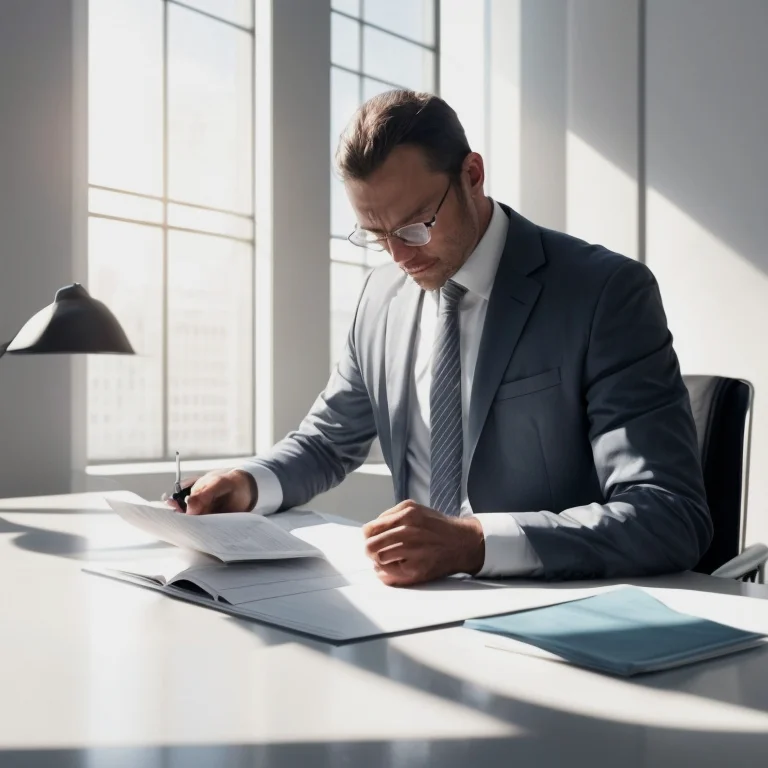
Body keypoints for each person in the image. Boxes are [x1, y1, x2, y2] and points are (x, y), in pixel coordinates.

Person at [169, 90, 712, 586]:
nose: (401, 256)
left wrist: (475, 544)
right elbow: (328, 442)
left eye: (415, 225)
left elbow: (668, 513)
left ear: (472, 174)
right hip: (415, 606)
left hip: (558, 607)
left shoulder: (603, 293)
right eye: (377, 236)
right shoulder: (379, 299)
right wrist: (247, 482)